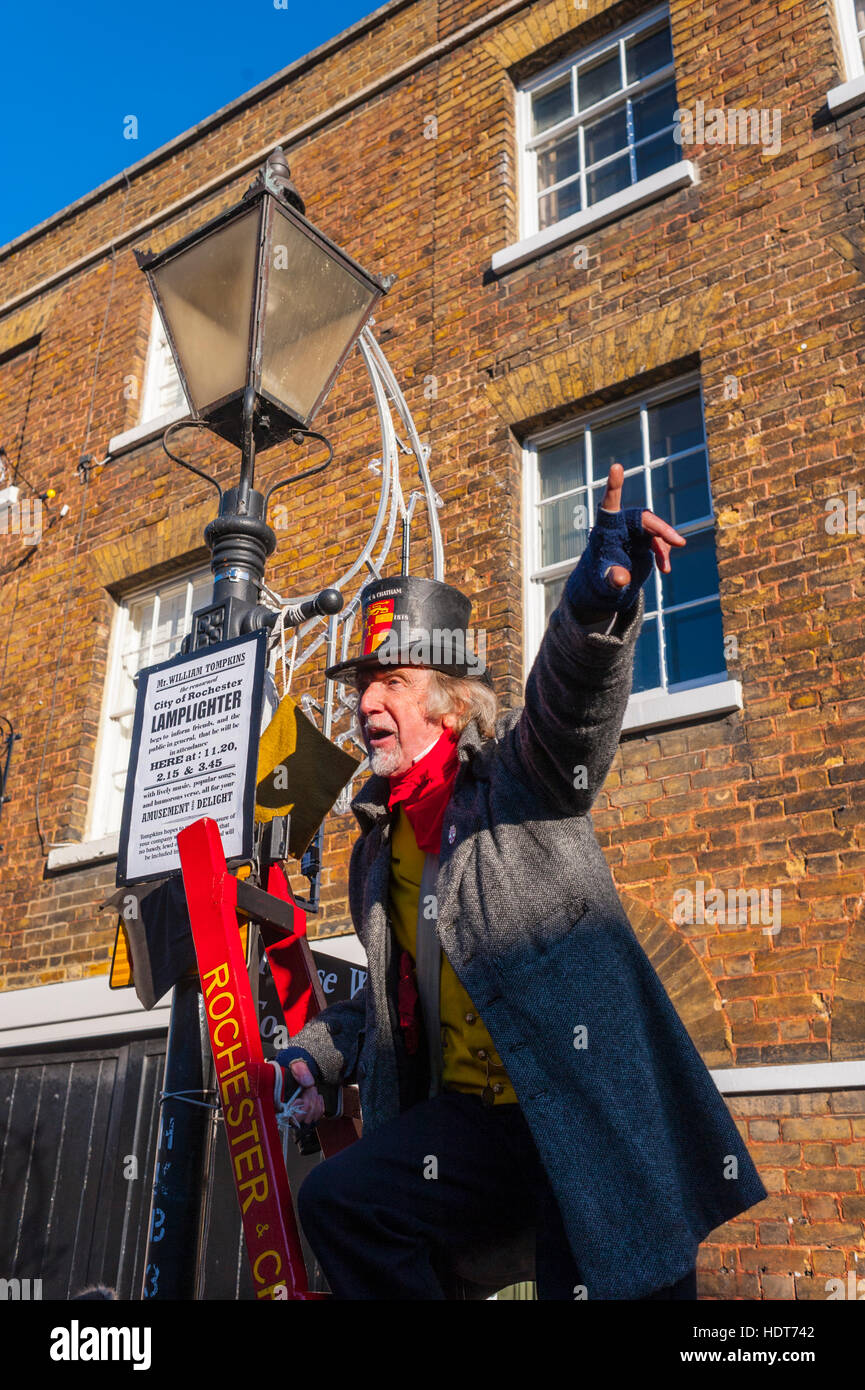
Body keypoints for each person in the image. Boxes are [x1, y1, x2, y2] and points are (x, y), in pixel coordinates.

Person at [275, 464, 768, 1300]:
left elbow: (568, 706)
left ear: (450, 705)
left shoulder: (518, 777)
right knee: (343, 1201)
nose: (365, 704)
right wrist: (315, 1056)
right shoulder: (374, 846)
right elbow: (399, 997)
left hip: (581, 1110)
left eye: (391, 682)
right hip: (476, 1129)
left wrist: (594, 601)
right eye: (362, 688)